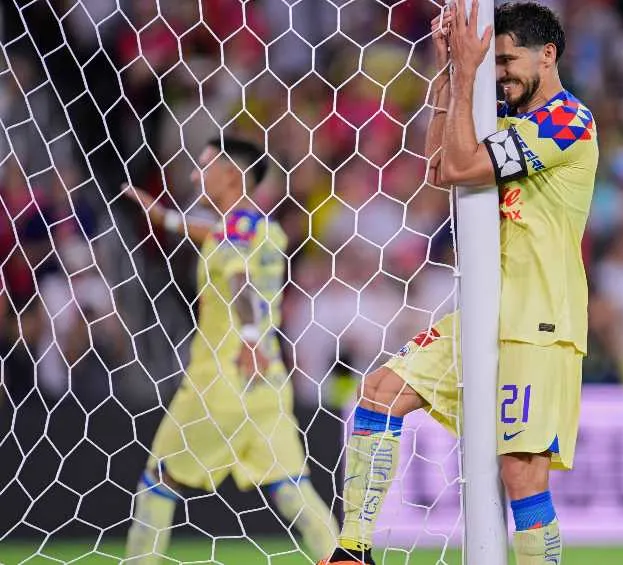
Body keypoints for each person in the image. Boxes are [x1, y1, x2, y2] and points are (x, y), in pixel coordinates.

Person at [324, 2, 598, 564]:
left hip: (538, 323)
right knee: (379, 391)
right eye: (492, 62)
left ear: (547, 55)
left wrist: (469, 71)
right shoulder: (501, 113)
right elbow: (434, 164)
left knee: (521, 476)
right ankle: (352, 551)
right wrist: (448, 70)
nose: (499, 72)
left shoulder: (569, 120)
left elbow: (459, 167)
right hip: (484, 312)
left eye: (506, 59)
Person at [122, 137, 338, 563]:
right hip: (269, 382)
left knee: (158, 480)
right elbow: (213, 230)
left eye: (202, 165)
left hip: (222, 378)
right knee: (293, 488)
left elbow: (239, 278)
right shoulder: (261, 227)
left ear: (230, 174)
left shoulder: (232, 238)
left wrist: (250, 337)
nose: (192, 174)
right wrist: (163, 217)